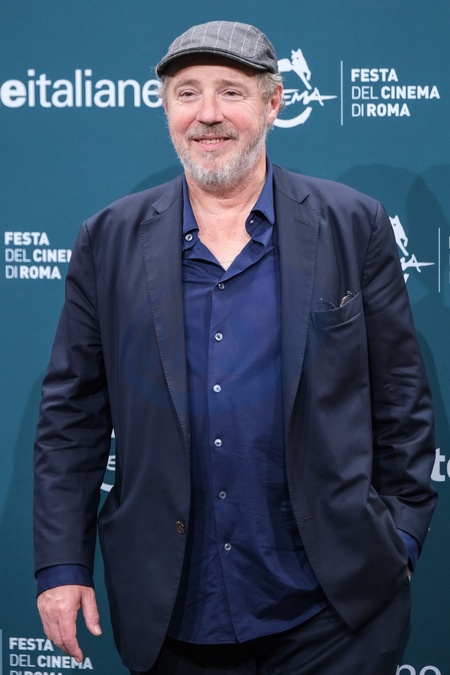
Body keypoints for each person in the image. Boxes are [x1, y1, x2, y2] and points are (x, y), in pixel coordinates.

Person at [34, 20, 437, 675]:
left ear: (273, 103)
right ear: (166, 108)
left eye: (231, 91)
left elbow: (401, 400)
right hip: (174, 613)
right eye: (187, 93)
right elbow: (71, 419)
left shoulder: (352, 224)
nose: (208, 114)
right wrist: (61, 564)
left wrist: (401, 541)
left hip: (335, 616)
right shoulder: (106, 240)